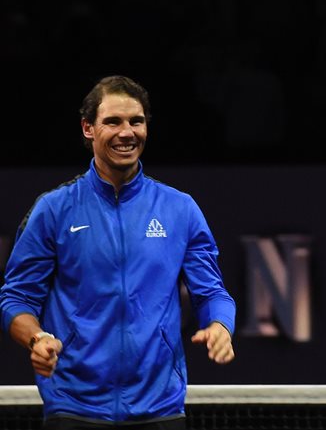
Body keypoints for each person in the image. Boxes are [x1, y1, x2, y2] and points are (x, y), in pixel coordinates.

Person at [0, 76, 236, 429]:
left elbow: (212, 292)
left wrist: (220, 325)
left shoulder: (180, 209)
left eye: (136, 121)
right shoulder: (53, 210)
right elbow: (16, 299)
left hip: (159, 408)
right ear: (88, 128)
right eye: (113, 121)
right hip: (73, 407)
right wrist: (37, 338)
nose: (127, 132)